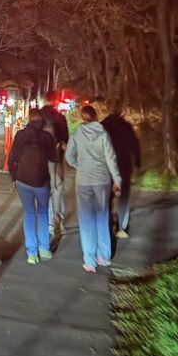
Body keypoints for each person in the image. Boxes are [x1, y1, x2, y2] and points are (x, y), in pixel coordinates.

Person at [65, 104, 121, 273]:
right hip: (102, 180)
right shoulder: (103, 133)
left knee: (86, 220)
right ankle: (104, 256)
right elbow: (111, 158)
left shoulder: (77, 133)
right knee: (102, 217)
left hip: (84, 180)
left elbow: (68, 156)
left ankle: (89, 260)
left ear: (82, 117)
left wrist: (80, 166)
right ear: (96, 116)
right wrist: (117, 180)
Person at [8, 107, 58, 265]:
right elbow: (54, 159)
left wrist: (14, 177)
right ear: (41, 120)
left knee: (29, 215)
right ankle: (44, 249)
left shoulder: (21, 135)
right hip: (41, 181)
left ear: (29, 118)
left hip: (23, 181)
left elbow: (12, 158)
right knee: (43, 214)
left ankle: (31, 253)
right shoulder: (46, 136)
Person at [101, 101, 141, 238]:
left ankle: (107, 223)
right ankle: (122, 227)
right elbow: (135, 145)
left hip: (107, 167)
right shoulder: (127, 127)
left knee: (106, 197)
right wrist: (137, 163)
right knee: (123, 197)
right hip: (124, 165)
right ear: (121, 111)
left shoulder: (102, 126)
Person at [39, 102, 69, 236]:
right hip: (57, 159)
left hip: (42, 160)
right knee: (59, 189)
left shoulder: (39, 118)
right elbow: (66, 139)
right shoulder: (60, 118)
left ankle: (50, 223)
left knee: (48, 190)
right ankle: (59, 220)